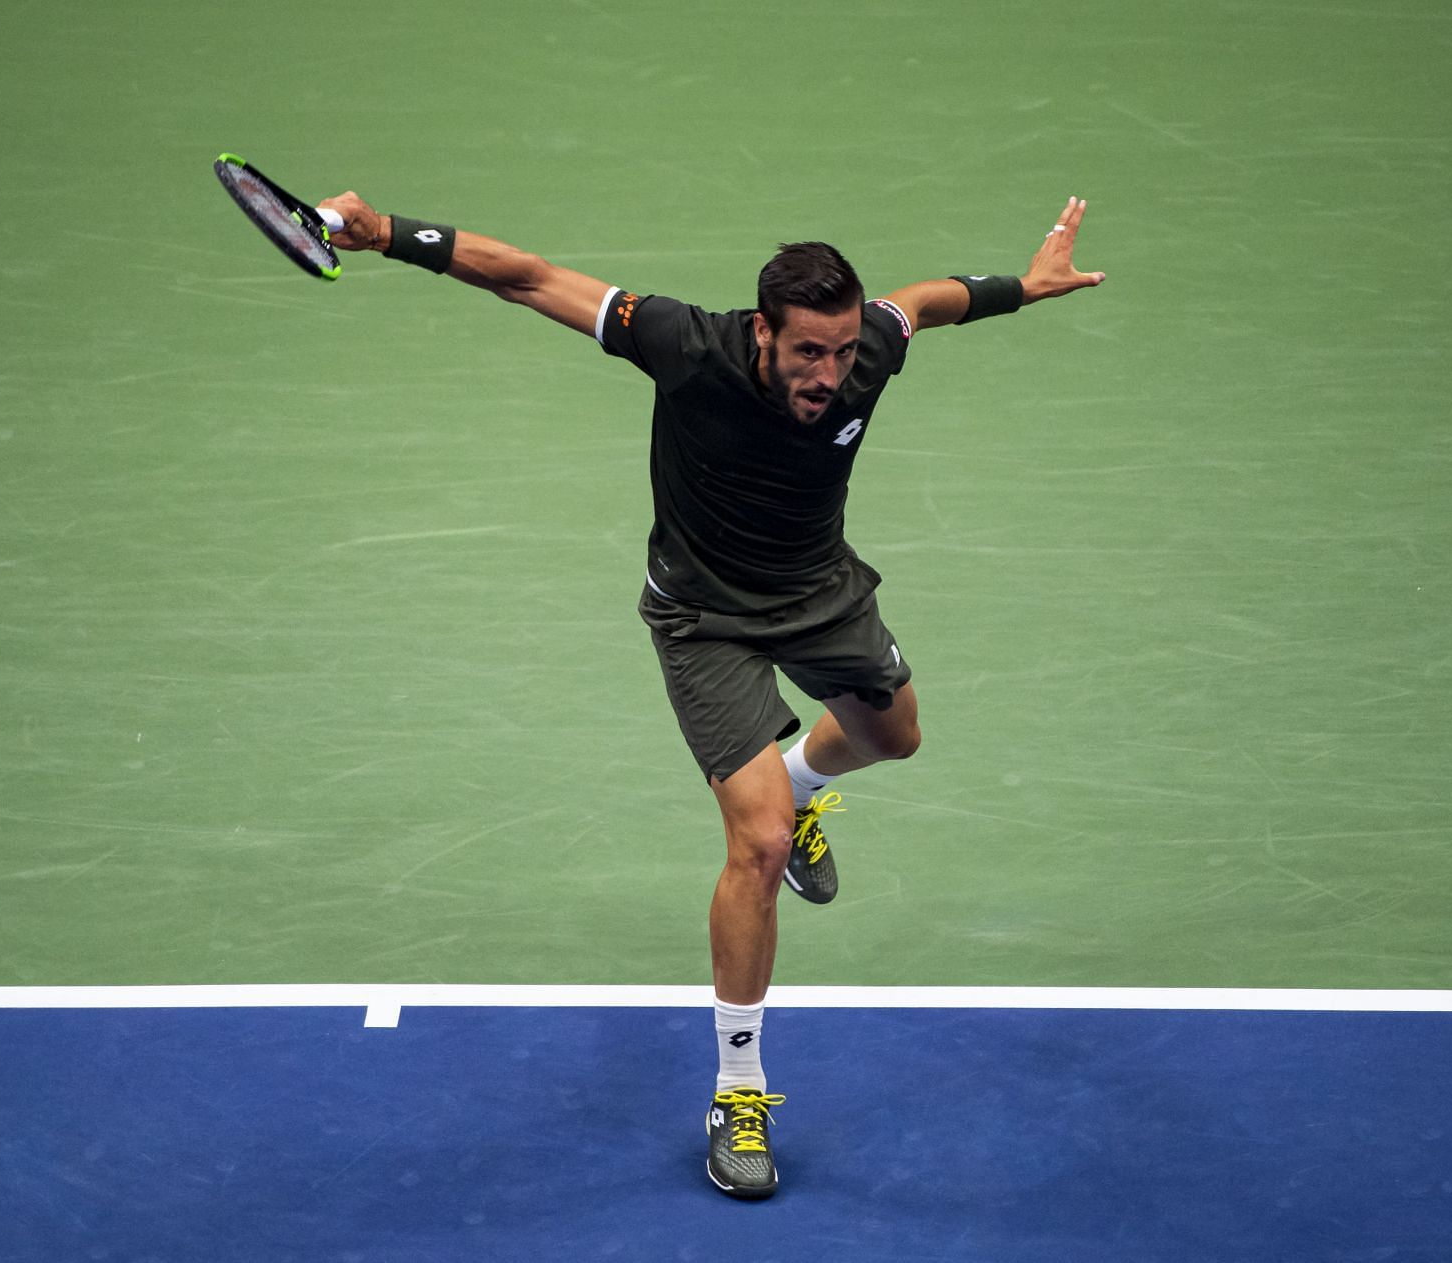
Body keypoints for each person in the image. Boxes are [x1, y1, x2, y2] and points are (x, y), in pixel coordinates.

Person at [314, 188, 1106, 1198]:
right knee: (761, 842)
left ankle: (804, 782)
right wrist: (389, 235)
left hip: (819, 591)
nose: (828, 374)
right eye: (806, 353)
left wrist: (1019, 290)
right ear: (762, 331)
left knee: (895, 737)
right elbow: (532, 278)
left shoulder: (870, 345)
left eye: (839, 351)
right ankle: (738, 1089)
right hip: (704, 618)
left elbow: (924, 300)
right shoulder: (685, 345)